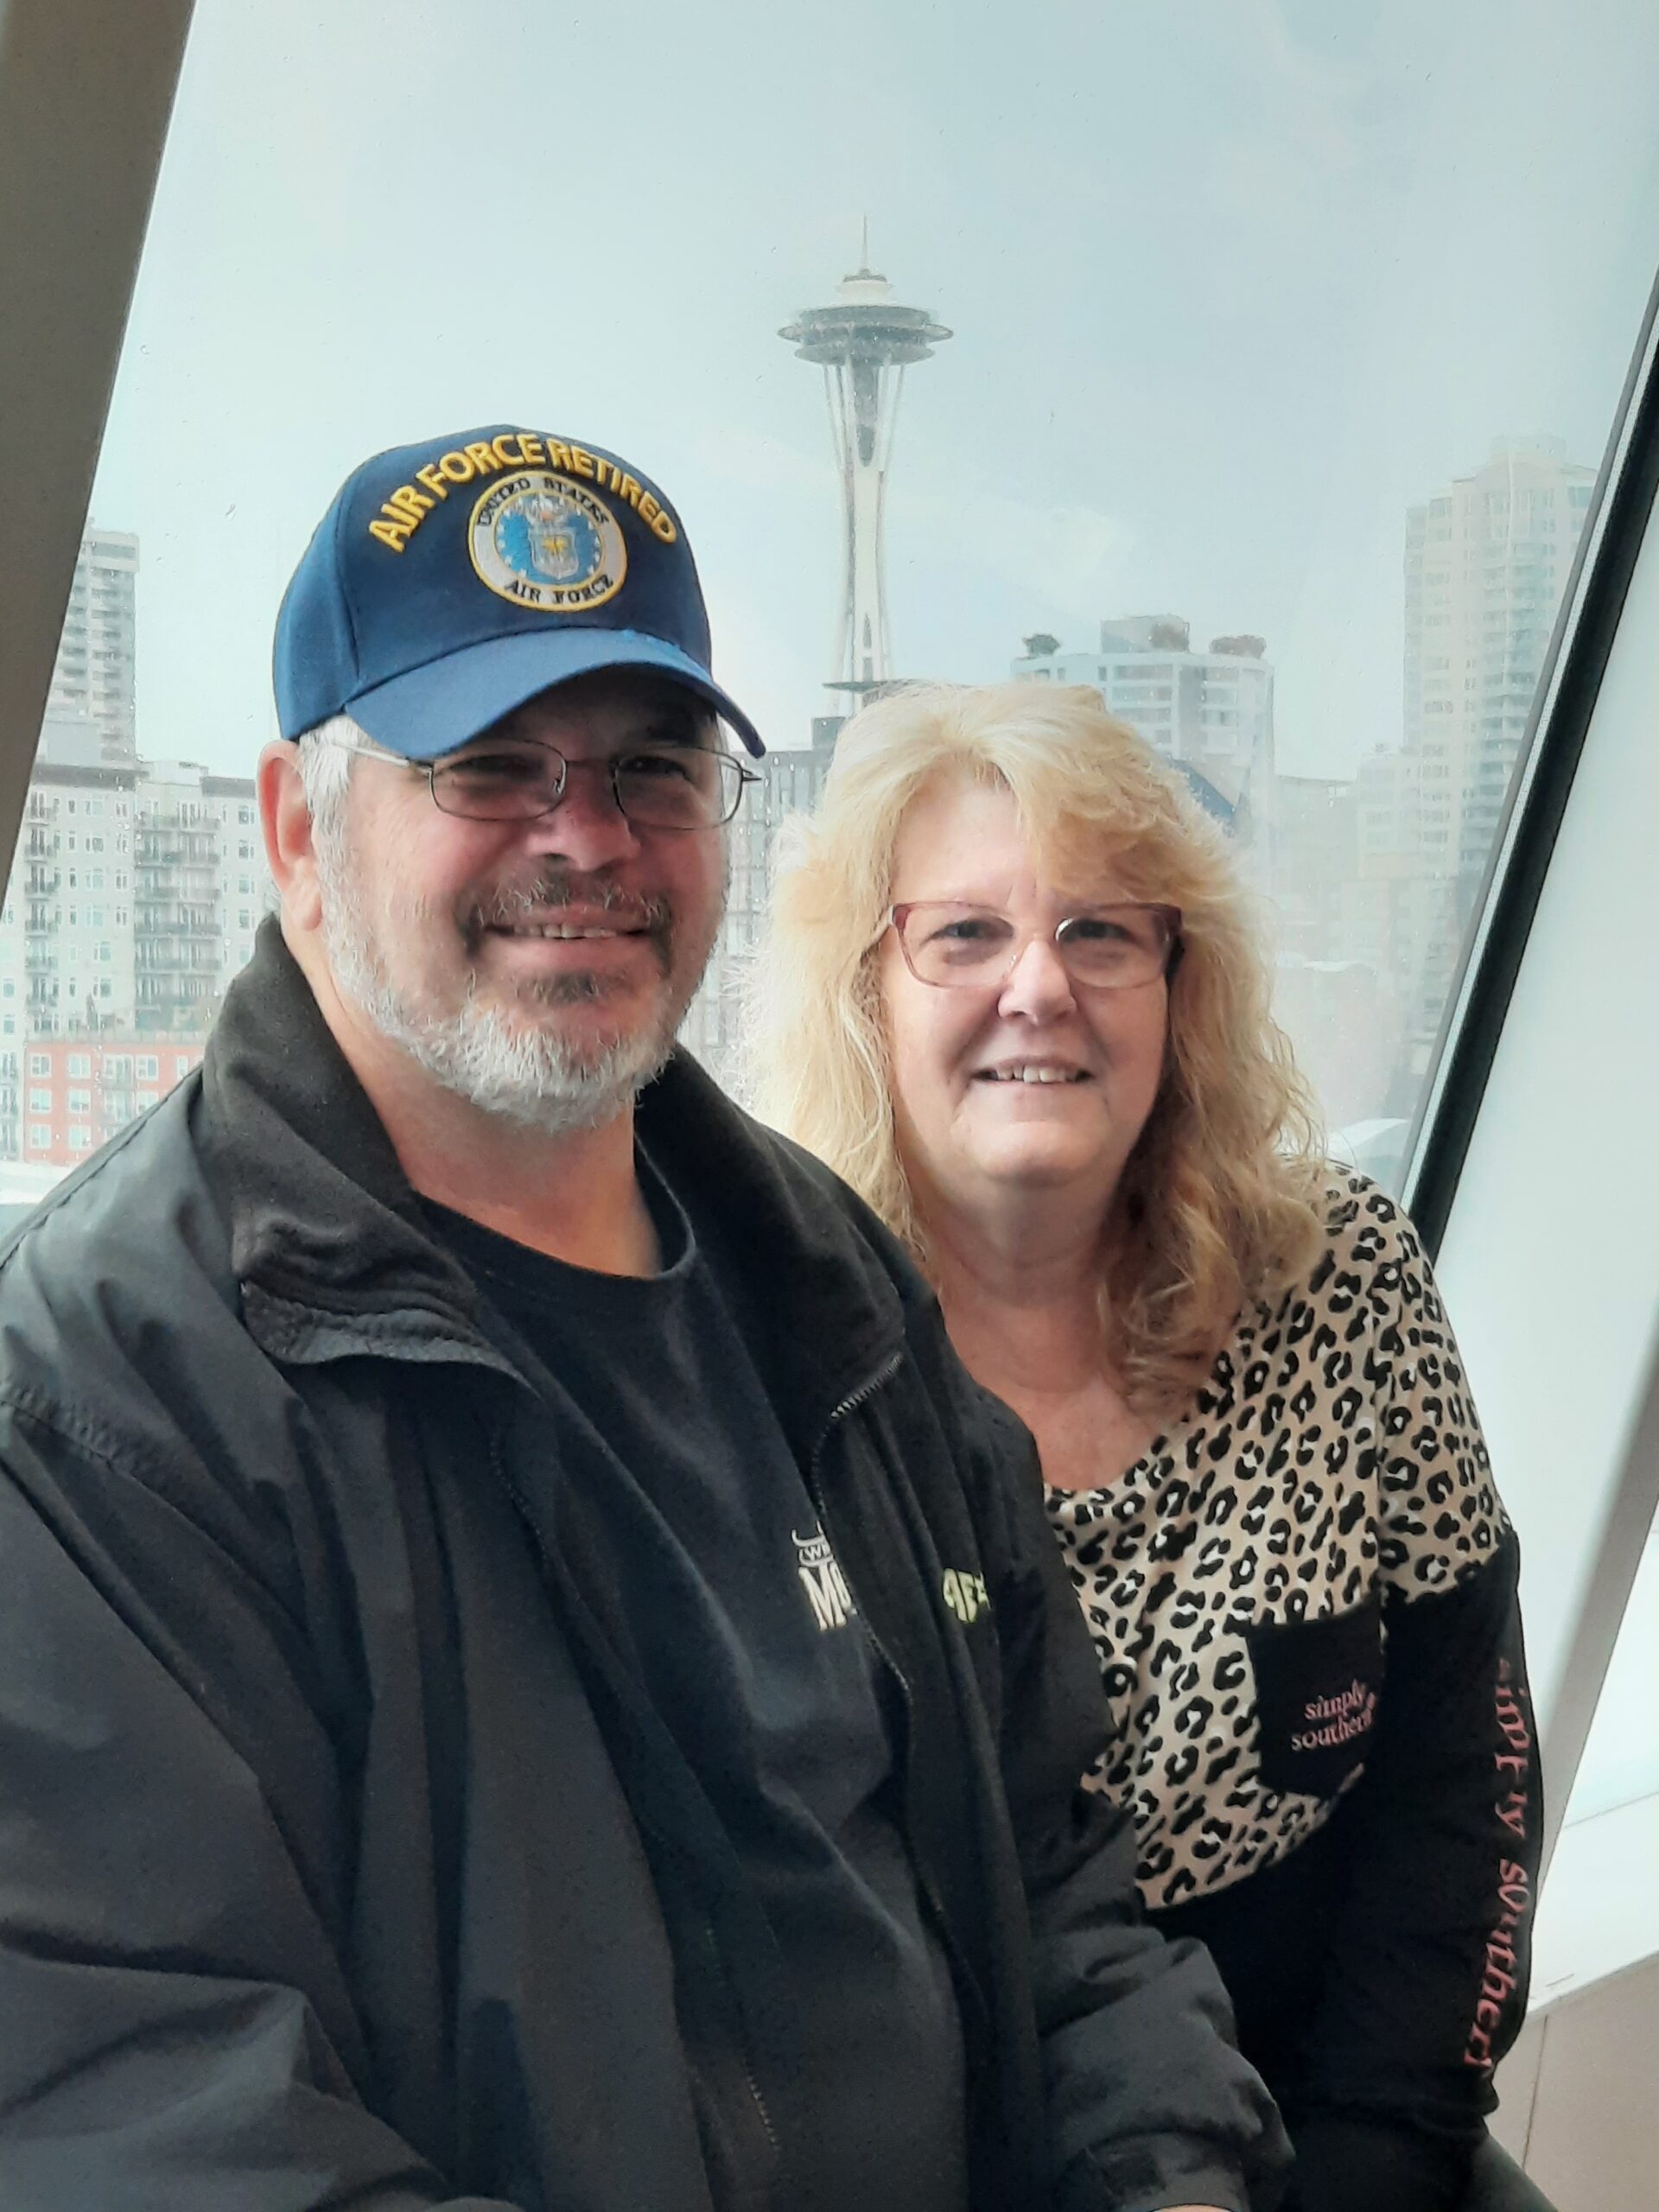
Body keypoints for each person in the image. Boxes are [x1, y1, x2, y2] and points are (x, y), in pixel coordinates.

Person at [0, 431, 1287, 2212]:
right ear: (298, 827)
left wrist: (1173, 2178)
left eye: (652, 770)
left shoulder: (829, 1292)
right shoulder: (103, 1407)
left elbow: (1053, 1873)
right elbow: (154, 2114)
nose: (588, 838)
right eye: (490, 765)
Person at [749, 681, 1543, 2212]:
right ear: (867, 992)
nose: (1039, 986)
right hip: (969, 2148)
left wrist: (1380, 2159)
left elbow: (1466, 1775)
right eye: (964, 934)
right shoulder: (777, 1366)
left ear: (1183, 985)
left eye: (1101, 931)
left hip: (1348, 2110)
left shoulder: (1340, 1281)